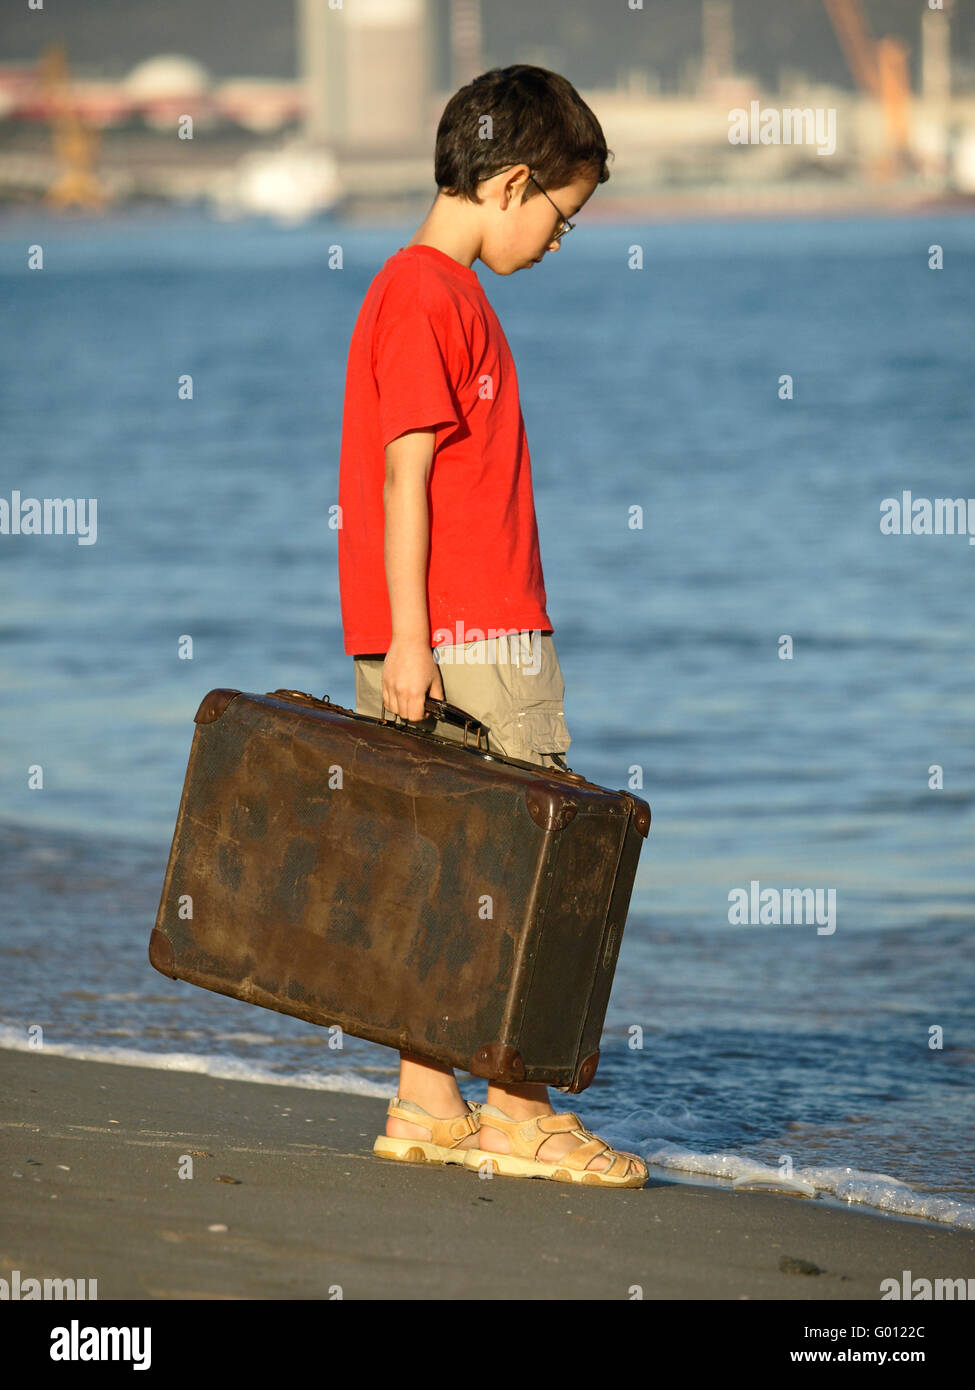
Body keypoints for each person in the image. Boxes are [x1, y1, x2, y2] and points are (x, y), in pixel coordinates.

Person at [336, 65, 647, 1188]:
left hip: (431, 634)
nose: (559, 243)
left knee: (441, 865)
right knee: (523, 866)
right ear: (513, 184)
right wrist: (415, 642)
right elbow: (402, 478)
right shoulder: (432, 296)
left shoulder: (418, 291)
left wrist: (398, 641)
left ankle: (427, 1098)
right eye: (561, 219)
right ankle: (521, 1110)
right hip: (475, 641)